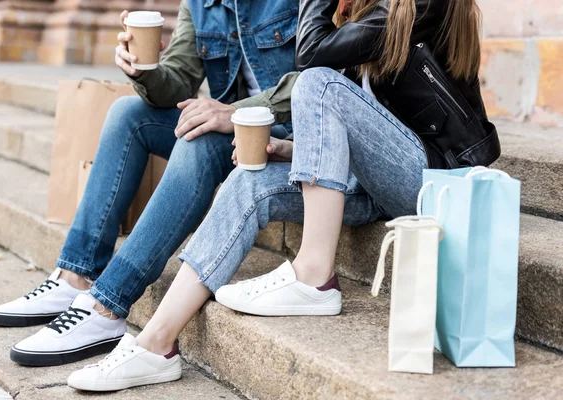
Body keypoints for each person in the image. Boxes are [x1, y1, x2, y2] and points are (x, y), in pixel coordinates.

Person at [64, 0, 498, 392]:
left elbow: (312, 62)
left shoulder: (424, 3)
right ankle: (155, 345)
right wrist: (291, 150)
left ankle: (313, 276)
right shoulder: (364, 8)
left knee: (318, 84)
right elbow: (363, 126)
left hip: (436, 181)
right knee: (249, 180)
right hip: (375, 182)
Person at [0, 0, 300, 368]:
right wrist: (144, 72)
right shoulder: (200, 4)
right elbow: (180, 78)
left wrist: (234, 112)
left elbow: (320, 77)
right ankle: (76, 275)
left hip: (287, 135)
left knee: (196, 139)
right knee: (128, 113)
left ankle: (107, 306)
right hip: (227, 130)